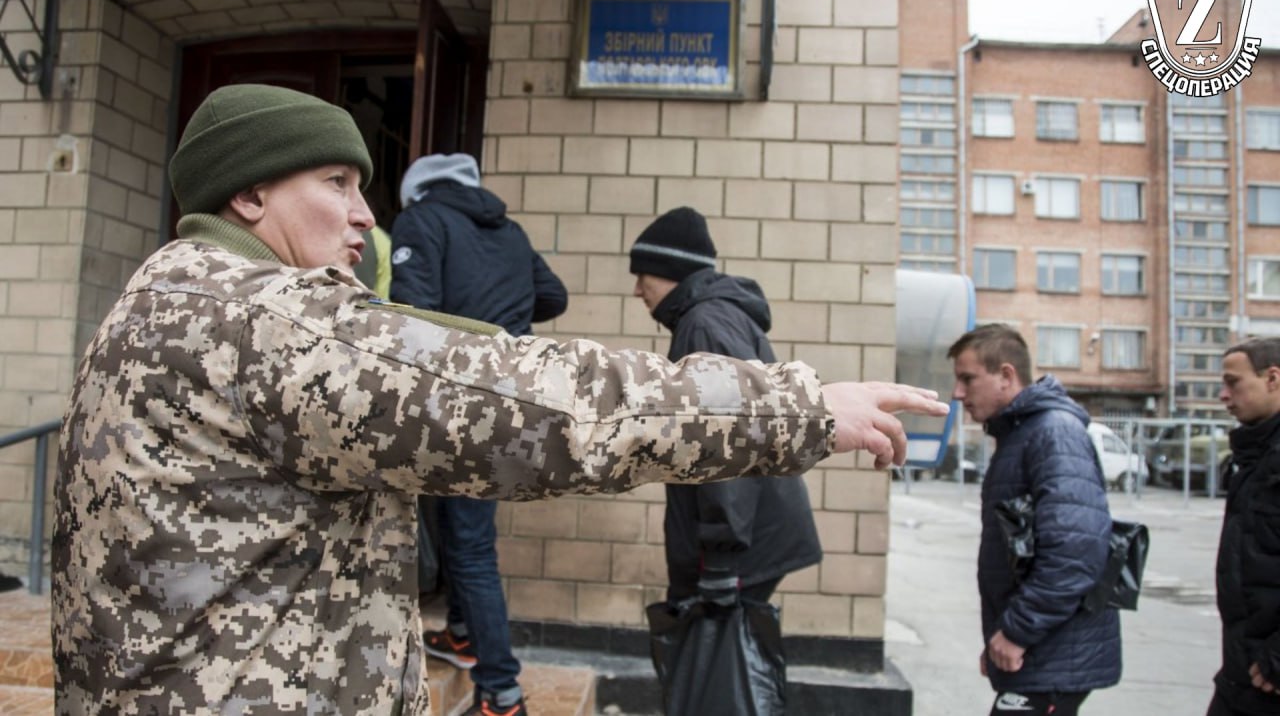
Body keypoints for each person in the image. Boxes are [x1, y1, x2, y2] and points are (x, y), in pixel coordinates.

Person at [51, 83, 947, 716]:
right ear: (246, 194)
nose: (366, 216)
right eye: (337, 183)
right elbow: (523, 404)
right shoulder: (256, 317)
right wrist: (797, 410)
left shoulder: (174, 297)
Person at [391, 152, 569, 716]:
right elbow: (555, 296)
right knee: (461, 528)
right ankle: (464, 634)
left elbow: (412, 312)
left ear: (418, 191)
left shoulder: (421, 221)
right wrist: (504, 318)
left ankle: (502, 691)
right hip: (508, 401)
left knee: (468, 547)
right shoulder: (508, 230)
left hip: (456, 403)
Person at [629, 206, 821, 609]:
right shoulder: (716, 316)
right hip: (747, 537)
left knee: (710, 665)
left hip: (735, 550)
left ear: (668, 270)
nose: (636, 290)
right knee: (721, 665)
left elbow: (730, 439)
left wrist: (719, 561)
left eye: (640, 275)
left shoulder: (704, 325)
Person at [947, 324, 1120, 716]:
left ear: (1006, 376)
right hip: (1043, 649)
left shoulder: (1053, 433)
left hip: (1053, 652)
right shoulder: (1024, 433)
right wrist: (1001, 636)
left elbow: (1075, 551)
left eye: (968, 379)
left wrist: (1015, 631)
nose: (958, 393)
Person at [1208, 337, 1280, 716]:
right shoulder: (1252, 456)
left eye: (1233, 382)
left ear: (1273, 378)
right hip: (1241, 671)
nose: (1224, 395)